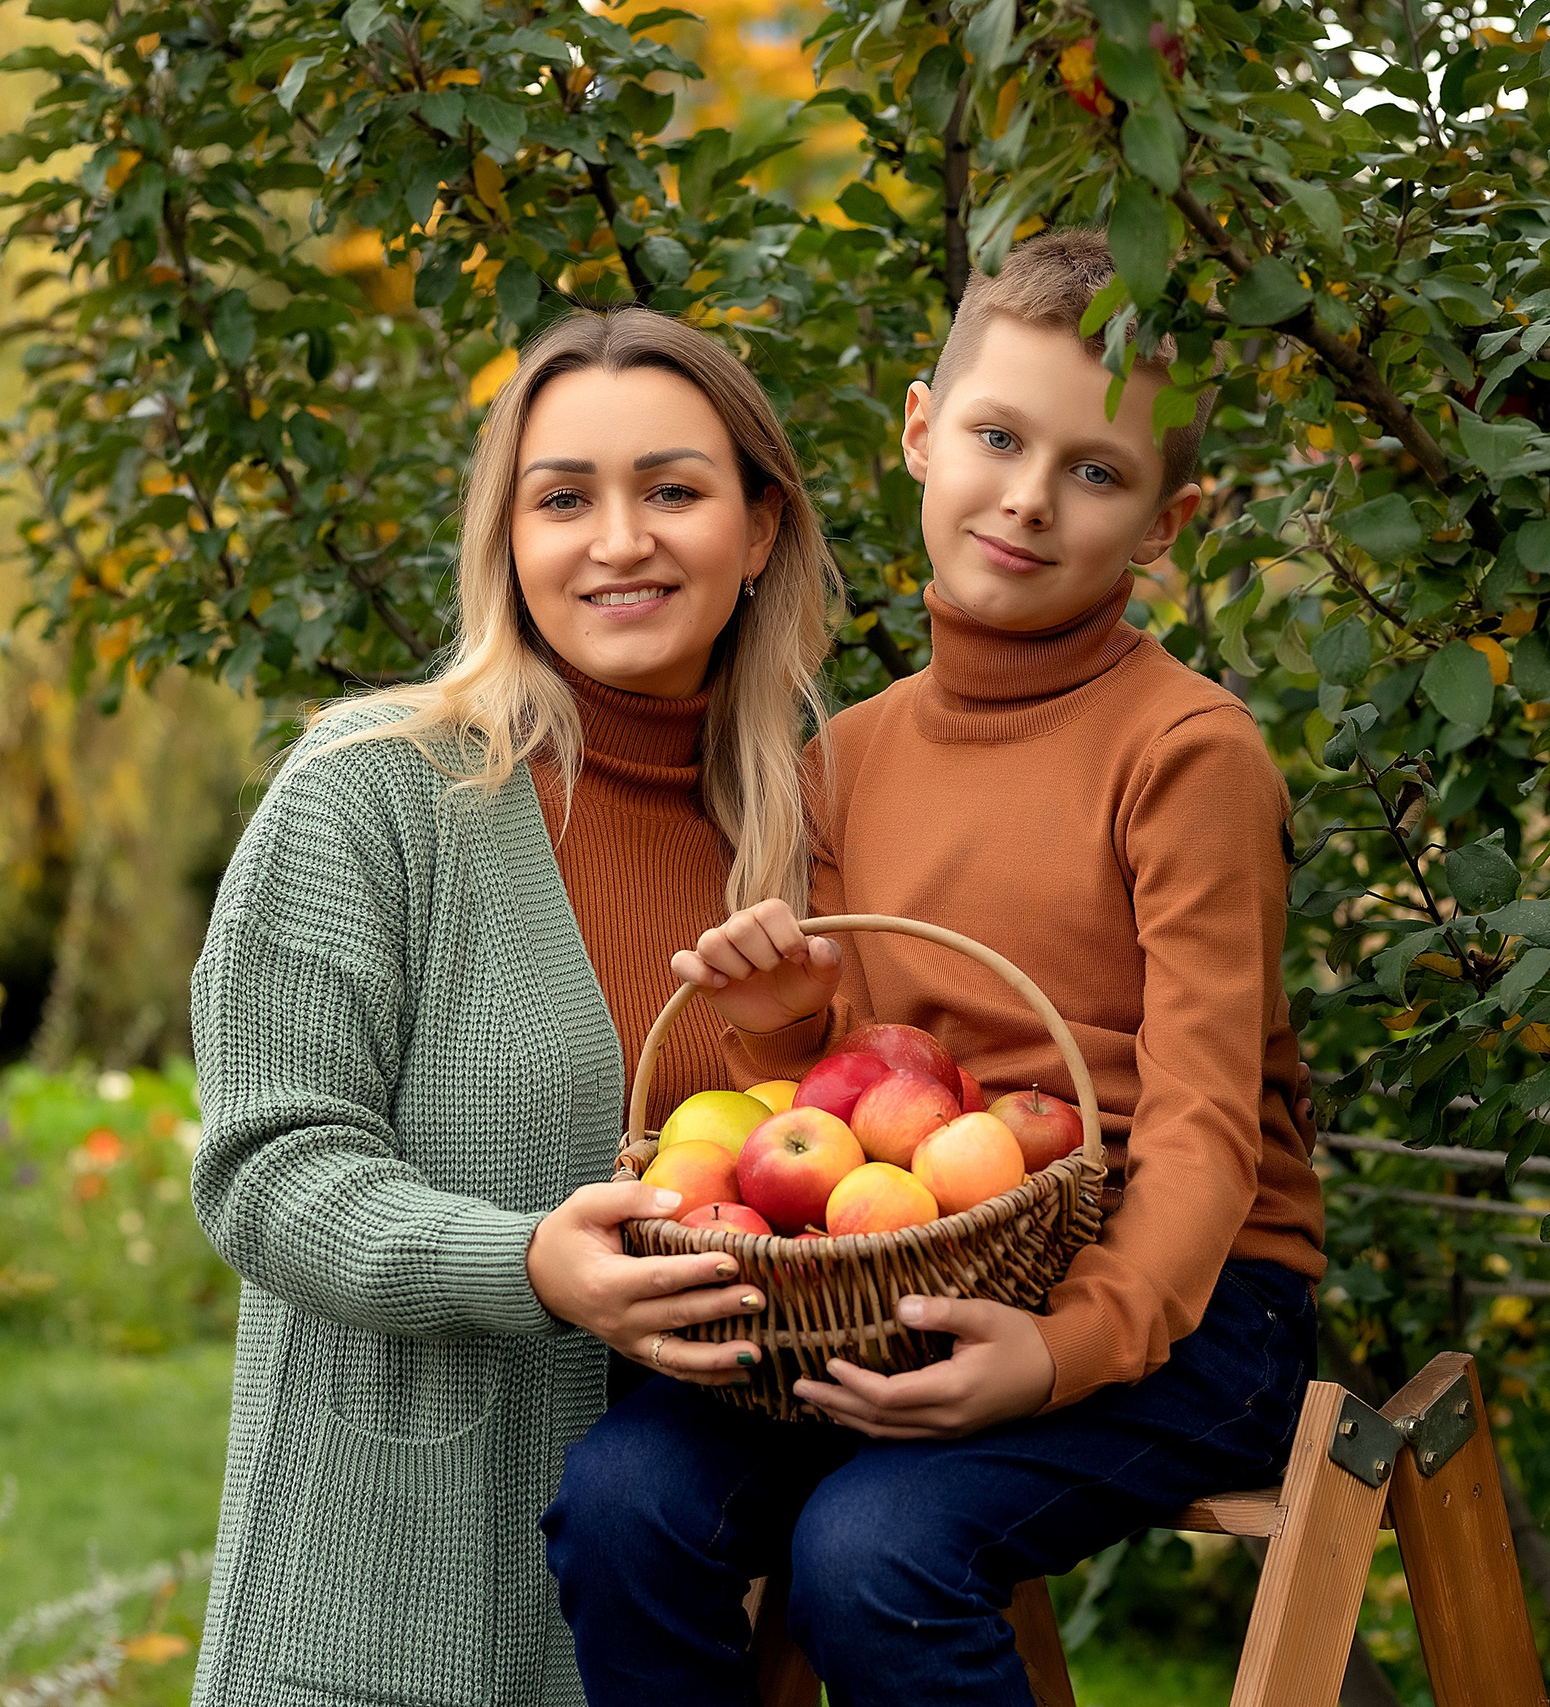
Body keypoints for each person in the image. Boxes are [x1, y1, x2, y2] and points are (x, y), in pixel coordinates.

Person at [543, 228, 1325, 1706]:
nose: (1028, 499)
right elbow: (837, 1110)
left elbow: (1209, 1128)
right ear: (921, 432)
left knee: (873, 1555)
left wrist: (1057, 1349)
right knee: (627, 1503)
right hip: (904, 1274)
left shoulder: (1186, 755)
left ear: (1169, 520)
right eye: (996, 437)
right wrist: (779, 1029)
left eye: (1096, 473)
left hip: (1191, 1299)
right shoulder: (850, 758)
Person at [185, 307, 842, 1707]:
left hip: (697, 1610)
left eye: (672, 489)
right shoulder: (377, 791)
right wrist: (525, 1264)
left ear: (761, 527)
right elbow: (265, 1169)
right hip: (395, 1611)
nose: (619, 541)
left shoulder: (811, 827)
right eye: (563, 500)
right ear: (508, 541)